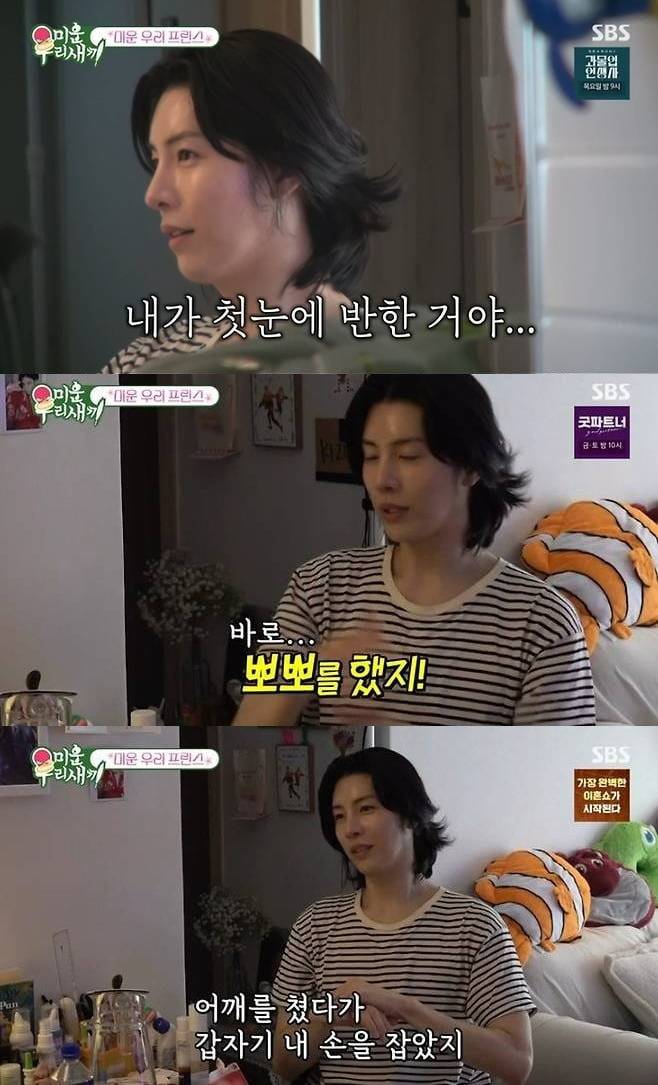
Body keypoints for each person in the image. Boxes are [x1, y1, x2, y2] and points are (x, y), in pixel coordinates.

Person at [233, 375, 597, 725]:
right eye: (370, 456)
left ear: (471, 466)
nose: (382, 480)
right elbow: (250, 728)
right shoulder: (318, 586)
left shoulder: (543, 623)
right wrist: (316, 669)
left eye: (408, 456)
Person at [104, 29, 399, 374]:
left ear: (285, 168)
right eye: (156, 161)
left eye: (186, 154)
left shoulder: (392, 370)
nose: (154, 195)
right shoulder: (143, 362)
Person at [271, 748, 535, 1085]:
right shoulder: (314, 925)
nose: (350, 828)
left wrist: (408, 1009)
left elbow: (516, 1062)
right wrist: (329, 1013)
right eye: (339, 816)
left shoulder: (475, 926)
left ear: (410, 814)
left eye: (366, 808)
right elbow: (283, 1064)